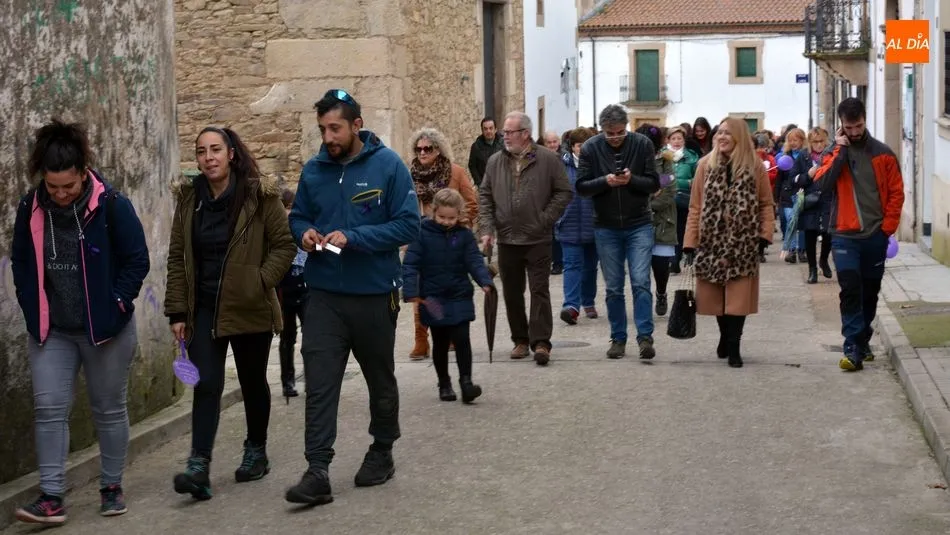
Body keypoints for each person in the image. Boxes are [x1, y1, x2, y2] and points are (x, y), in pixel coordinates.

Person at [285, 89, 419, 505]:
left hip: (374, 294)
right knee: (320, 382)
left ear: (356, 125)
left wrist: (355, 237)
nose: (328, 137)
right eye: (323, 129)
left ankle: (382, 449)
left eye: (335, 128)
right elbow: (298, 216)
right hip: (323, 296)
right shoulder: (314, 170)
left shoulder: (388, 166)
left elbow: (408, 226)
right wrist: (303, 233)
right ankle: (317, 470)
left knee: (380, 378)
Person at [12, 120, 149, 524]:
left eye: (68, 186)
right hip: (52, 331)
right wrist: (31, 306)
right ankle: (51, 497)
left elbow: (137, 259)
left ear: (84, 172)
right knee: (49, 408)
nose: (59, 194)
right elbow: (22, 262)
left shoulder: (112, 205)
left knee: (108, 408)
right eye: (52, 186)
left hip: (105, 330)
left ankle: (111, 486)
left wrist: (118, 303)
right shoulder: (30, 207)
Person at [165, 126, 296, 500]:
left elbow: (284, 246)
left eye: (215, 150)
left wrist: (258, 281)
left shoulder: (258, 195)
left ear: (231, 154)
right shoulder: (190, 199)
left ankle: (256, 451)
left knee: (253, 381)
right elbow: (178, 257)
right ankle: (198, 466)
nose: (208, 158)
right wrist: (177, 310)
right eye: (201, 151)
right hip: (204, 308)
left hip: (249, 305)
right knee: (206, 383)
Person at [815, 97, 904, 371]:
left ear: (865, 121)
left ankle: (863, 340)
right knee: (850, 289)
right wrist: (840, 151)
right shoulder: (832, 152)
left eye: (858, 126)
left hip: (875, 235)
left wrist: (886, 229)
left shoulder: (883, 154)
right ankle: (852, 347)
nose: (854, 132)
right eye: (849, 127)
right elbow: (822, 184)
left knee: (869, 293)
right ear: (841, 125)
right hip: (843, 234)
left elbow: (896, 193)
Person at [478, 111, 572, 366]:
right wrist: (486, 229)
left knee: (539, 290)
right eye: (504, 132)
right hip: (507, 238)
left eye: (510, 132)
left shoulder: (548, 159)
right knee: (512, 292)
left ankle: (541, 342)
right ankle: (520, 339)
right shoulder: (495, 161)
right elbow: (485, 195)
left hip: (538, 238)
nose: (505, 137)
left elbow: (564, 192)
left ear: (526, 133)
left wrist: (544, 219)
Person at [682, 118, 775, 368]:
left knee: (738, 298)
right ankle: (725, 335)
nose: (721, 137)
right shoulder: (705, 165)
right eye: (719, 132)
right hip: (711, 241)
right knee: (716, 297)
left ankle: (734, 345)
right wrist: (690, 242)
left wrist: (764, 236)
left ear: (739, 137)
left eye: (727, 133)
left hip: (743, 242)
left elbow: (766, 204)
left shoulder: (755, 166)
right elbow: (695, 206)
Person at [576, 105, 660, 360]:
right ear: (602, 130)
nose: (615, 137)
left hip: (639, 223)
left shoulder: (642, 144)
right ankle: (618, 338)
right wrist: (605, 181)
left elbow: (654, 183)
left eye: (620, 132)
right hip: (606, 225)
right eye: (610, 133)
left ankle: (645, 337)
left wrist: (631, 179)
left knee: (641, 281)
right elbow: (581, 187)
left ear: (627, 127)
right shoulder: (590, 148)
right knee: (613, 287)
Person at [402, 188, 494, 402]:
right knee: (441, 340)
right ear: (433, 212)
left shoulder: (464, 235)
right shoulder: (421, 234)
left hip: (459, 294)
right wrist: (410, 291)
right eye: (442, 217)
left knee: (462, 339)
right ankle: (444, 382)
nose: (446, 222)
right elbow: (410, 264)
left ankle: (466, 382)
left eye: (451, 218)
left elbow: (474, 260)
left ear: (459, 215)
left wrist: (485, 281)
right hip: (432, 298)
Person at [407, 127, 478, 360]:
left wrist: (458, 224)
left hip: (450, 242)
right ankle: (421, 339)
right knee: (421, 291)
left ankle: (449, 333)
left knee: (447, 289)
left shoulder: (455, 172)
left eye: (428, 148)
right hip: (421, 240)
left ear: (438, 150)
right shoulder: (410, 176)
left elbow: (471, 203)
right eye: (418, 149)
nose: (422, 152)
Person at [556, 127, 599, 324]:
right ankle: (571, 306)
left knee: (590, 267)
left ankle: (588, 301)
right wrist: (558, 217)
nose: (583, 149)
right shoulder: (561, 166)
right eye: (580, 145)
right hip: (569, 223)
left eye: (587, 145)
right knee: (572, 265)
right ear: (573, 146)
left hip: (593, 224)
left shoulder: (597, 165)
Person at [635, 124, 676, 316]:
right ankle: (643, 301)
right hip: (637, 220)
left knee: (660, 265)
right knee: (640, 268)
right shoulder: (632, 161)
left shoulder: (665, 161)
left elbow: (669, 190)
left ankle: (661, 292)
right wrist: (651, 192)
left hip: (662, 220)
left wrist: (648, 202)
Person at [278, 188, 309, 399]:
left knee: (311, 338)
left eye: (290, 207)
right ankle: (287, 381)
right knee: (287, 338)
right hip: (285, 290)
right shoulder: (276, 232)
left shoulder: (303, 228)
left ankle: (312, 378)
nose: (288, 212)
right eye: (285, 208)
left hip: (306, 288)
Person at [667, 125, 699, 274]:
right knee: (668, 230)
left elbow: (696, 180)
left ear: (684, 140)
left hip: (684, 199)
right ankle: (669, 259)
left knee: (680, 230)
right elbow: (660, 179)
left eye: (679, 138)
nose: (676, 141)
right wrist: (684, 182)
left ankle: (676, 260)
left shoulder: (692, 157)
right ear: (668, 140)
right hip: (666, 199)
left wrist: (675, 181)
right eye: (673, 138)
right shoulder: (662, 156)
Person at [468, 117, 504, 187]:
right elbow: (472, 166)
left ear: (495, 129)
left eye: (491, 128)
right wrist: (479, 183)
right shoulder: (476, 147)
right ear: (482, 131)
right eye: (485, 129)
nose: (488, 131)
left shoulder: (504, 144)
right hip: (485, 186)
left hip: (502, 185)